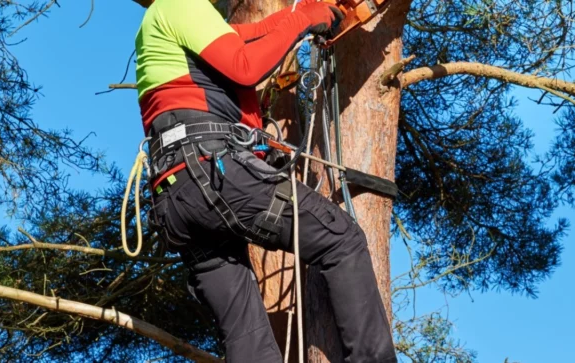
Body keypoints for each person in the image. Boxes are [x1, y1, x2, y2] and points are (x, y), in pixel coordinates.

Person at [134, 0, 397, 362]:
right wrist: (304, 18)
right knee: (342, 239)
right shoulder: (180, 4)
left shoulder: (165, 22)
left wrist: (300, 15)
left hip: (177, 199)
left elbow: (247, 35)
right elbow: (246, 66)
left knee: (248, 336)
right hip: (211, 171)